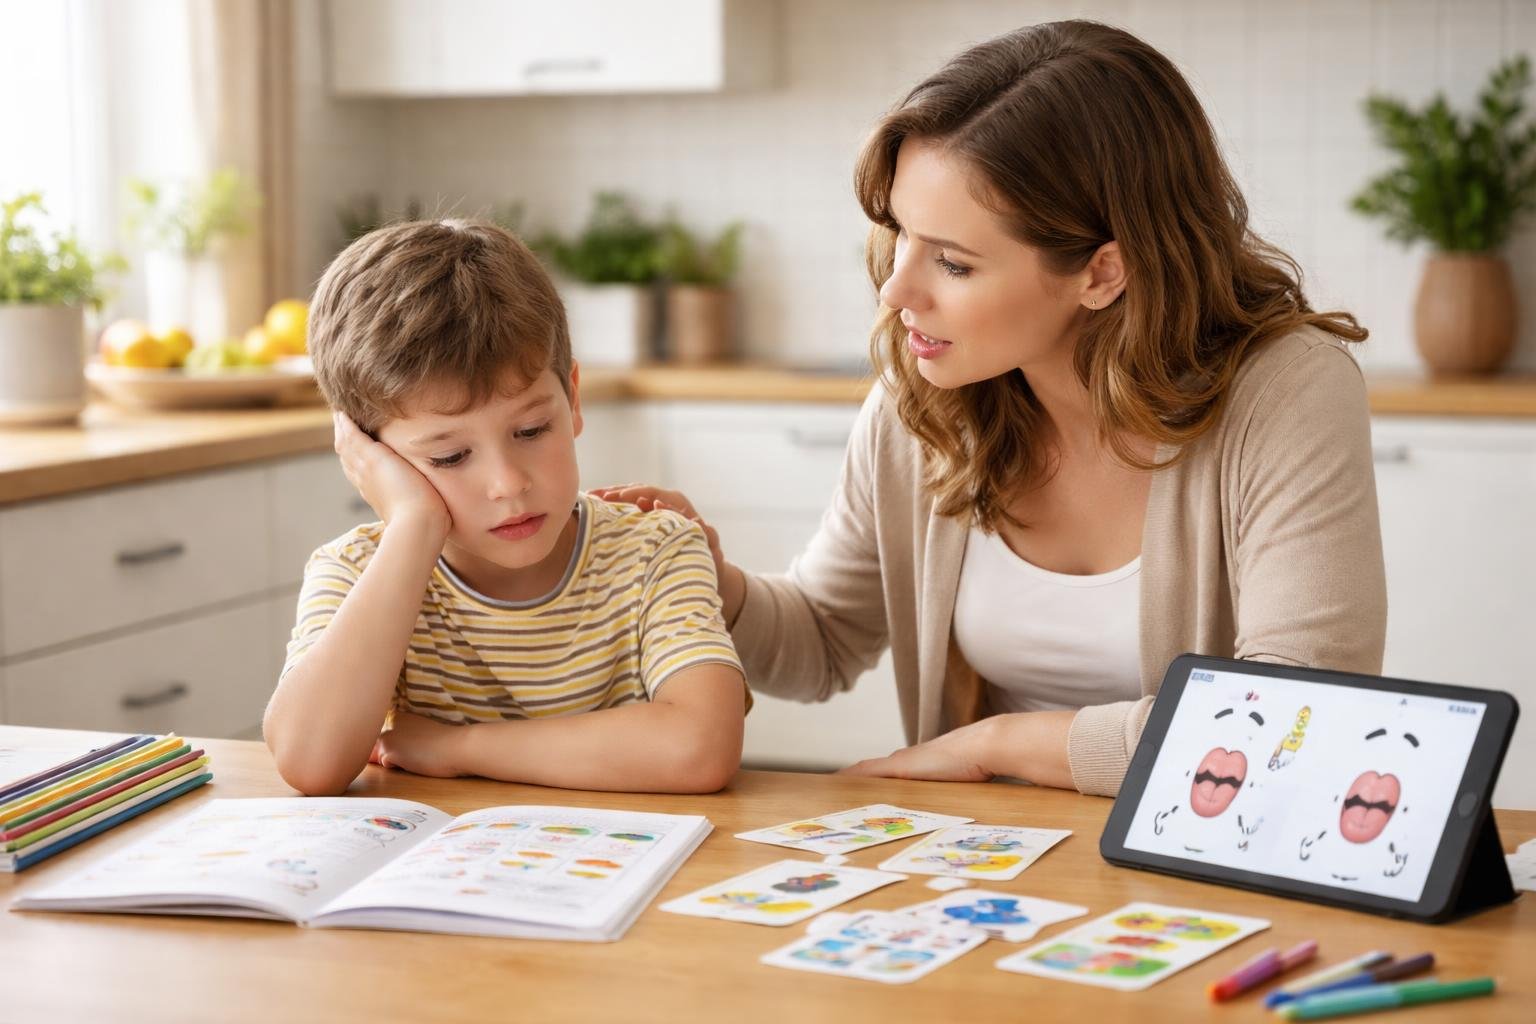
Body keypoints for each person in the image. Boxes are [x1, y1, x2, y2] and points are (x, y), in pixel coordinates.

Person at [593, 20, 1386, 797]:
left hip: (1191, 864)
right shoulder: (923, 402)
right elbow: (826, 639)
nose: (897, 290)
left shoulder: (1287, 392)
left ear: (1103, 273)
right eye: (901, 235)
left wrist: (993, 745)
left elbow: (1297, 717)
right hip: (985, 862)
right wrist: (707, 578)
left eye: (955, 263)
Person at [264, 219, 747, 797]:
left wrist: (458, 747)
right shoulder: (356, 572)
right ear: (371, 458)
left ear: (572, 398)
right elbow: (309, 763)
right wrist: (414, 525)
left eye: (532, 429)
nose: (507, 484)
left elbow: (699, 749)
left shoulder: (655, 550)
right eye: (448, 457)